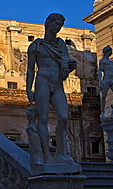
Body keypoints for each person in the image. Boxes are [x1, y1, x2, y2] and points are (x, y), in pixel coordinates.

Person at [26, 13, 76, 164]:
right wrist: (28, 89)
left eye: (61, 25)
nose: (59, 28)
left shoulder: (61, 45)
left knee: (63, 117)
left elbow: (65, 65)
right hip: (42, 82)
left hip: (58, 84)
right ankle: (46, 155)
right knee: (43, 118)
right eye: (57, 24)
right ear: (48, 24)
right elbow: (30, 68)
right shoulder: (36, 45)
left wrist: (70, 67)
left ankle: (61, 153)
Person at [98, 45, 113, 118]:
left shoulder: (111, 63)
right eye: (110, 51)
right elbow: (100, 71)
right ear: (107, 52)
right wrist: (100, 81)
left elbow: (111, 71)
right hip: (106, 80)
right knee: (103, 96)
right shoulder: (103, 61)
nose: (111, 52)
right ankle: (102, 112)